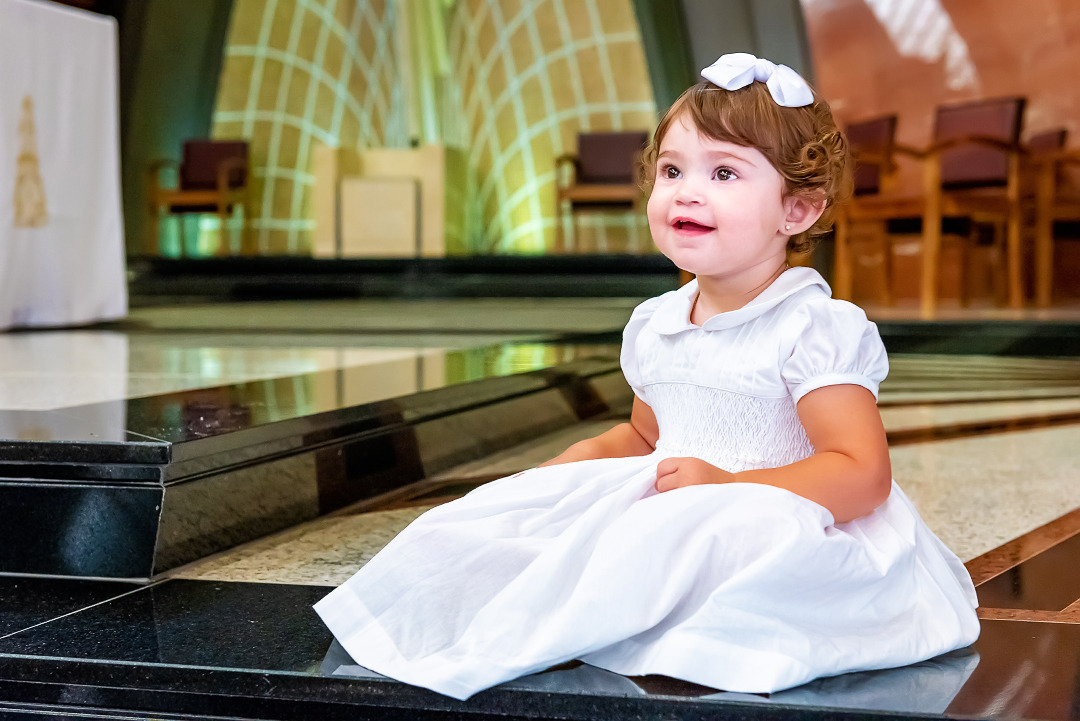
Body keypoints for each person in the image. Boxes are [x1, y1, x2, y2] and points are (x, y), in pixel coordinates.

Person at [314, 53, 980, 701]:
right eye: (671, 169)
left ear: (797, 211)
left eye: (724, 172)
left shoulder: (812, 327)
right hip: (679, 495)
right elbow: (644, 434)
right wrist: (572, 462)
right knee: (498, 521)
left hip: (783, 512)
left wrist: (729, 488)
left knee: (697, 541)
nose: (687, 190)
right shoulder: (658, 322)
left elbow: (861, 473)